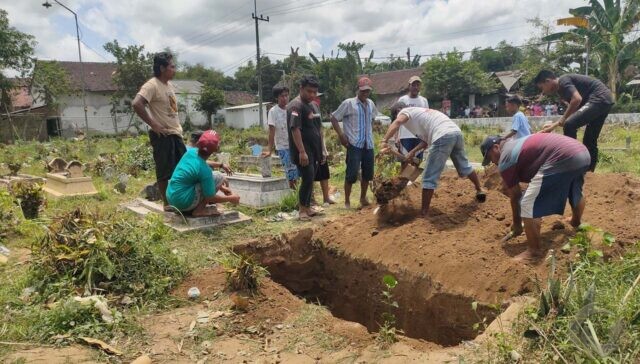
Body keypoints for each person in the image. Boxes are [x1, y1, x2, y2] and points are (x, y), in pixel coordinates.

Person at [480, 133, 591, 263]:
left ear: (496, 147)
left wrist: (517, 225)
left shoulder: (505, 159)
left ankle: (534, 251)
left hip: (563, 156)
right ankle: (575, 221)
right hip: (582, 153)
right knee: (574, 189)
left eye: (490, 157)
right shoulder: (515, 144)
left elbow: (515, 195)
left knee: (527, 204)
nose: (493, 162)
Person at [382, 103, 486, 217]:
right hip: (455, 132)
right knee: (464, 166)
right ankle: (479, 189)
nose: (397, 119)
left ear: (398, 111)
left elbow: (397, 122)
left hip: (443, 135)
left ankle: (424, 213)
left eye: (395, 115)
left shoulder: (405, 111)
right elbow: (425, 141)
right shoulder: (421, 115)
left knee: (429, 176)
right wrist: (412, 152)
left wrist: (384, 140)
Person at [132, 51, 186, 211]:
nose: (175, 69)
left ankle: (180, 199)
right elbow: (137, 103)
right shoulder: (152, 85)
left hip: (175, 133)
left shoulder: (168, 85)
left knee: (182, 168)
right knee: (164, 170)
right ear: (162, 68)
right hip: (162, 135)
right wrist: (154, 124)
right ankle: (167, 204)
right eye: (172, 66)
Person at [535, 70, 614, 171]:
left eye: (542, 88)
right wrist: (553, 126)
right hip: (605, 100)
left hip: (599, 98)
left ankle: (571, 163)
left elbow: (577, 99)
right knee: (589, 139)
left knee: (569, 125)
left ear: (548, 81)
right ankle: (589, 172)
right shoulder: (561, 91)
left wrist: (563, 119)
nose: (543, 92)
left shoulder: (563, 82)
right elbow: (575, 110)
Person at [166, 130, 240, 217]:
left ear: (198, 143)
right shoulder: (205, 171)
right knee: (219, 177)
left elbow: (201, 162)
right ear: (216, 149)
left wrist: (220, 166)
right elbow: (210, 197)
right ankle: (199, 210)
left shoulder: (191, 152)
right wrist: (231, 198)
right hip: (183, 203)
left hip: (172, 199)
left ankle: (191, 207)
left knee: (212, 177)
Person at [330, 77, 379, 209]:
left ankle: (363, 198)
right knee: (351, 174)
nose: (365, 93)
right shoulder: (349, 104)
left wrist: (369, 132)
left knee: (367, 174)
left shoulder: (371, 104)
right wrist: (341, 135)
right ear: (357, 89)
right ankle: (347, 201)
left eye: (367, 91)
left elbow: (373, 119)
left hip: (368, 144)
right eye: (363, 91)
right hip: (354, 145)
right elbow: (334, 118)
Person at [288, 75, 325, 220]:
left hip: (315, 149)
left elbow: (319, 128)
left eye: (315, 92)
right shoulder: (295, 106)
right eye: (309, 91)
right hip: (303, 150)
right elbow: (295, 129)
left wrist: (322, 150)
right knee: (307, 177)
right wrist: (302, 152)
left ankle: (308, 206)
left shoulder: (314, 105)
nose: (312, 95)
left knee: (312, 177)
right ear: (301, 89)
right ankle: (302, 209)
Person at [262, 85, 298, 189]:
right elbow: (271, 132)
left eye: (286, 95)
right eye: (282, 96)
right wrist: (269, 149)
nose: (285, 98)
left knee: (298, 171)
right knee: (290, 173)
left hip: (295, 144)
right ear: (277, 97)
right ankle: (293, 195)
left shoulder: (293, 109)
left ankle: (300, 196)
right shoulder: (273, 111)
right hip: (283, 146)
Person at [395, 75, 429, 168]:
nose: (416, 87)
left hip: (419, 136)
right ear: (409, 86)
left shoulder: (423, 101)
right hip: (405, 135)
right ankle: (403, 182)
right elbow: (397, 120)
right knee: (405, 160)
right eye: (413, 85)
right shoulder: (402, 100)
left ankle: (412, 182)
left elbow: (427, 119)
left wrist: (426, 138)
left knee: (417, 161)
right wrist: (397, 135)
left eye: (418, 85)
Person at [311, 95, 336, 206]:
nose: (318, 99)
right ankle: (312, 200)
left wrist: (323, 149)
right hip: (310, 147)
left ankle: (326, 198)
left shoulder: (316, 107)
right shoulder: (303, 107)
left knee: (324, 173)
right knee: (310, 175)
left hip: (319, 145)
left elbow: (320, 129)